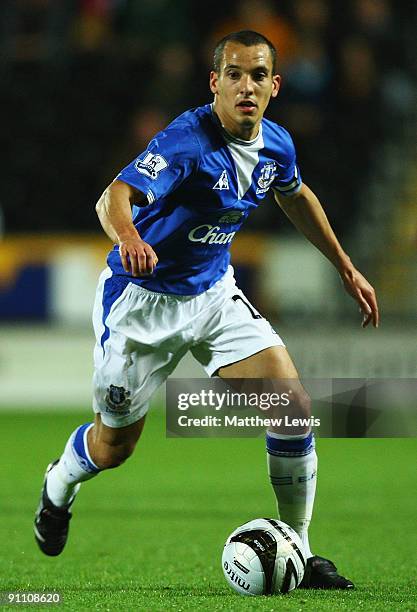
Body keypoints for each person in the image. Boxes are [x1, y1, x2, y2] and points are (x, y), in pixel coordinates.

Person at [34, 30, 379, 589]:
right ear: (215, 82)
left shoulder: (277, 144)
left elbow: (295, 194)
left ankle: (301, 549)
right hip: (141, 304)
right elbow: (112, 197)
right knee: (114, 445)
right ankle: (58, 487)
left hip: (213, 294)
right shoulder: (185, 142)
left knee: (291, 406)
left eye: (259, 75)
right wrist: (128, 237)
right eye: (235, 74)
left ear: (275, 86)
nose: (247, 86)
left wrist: (344, 265)